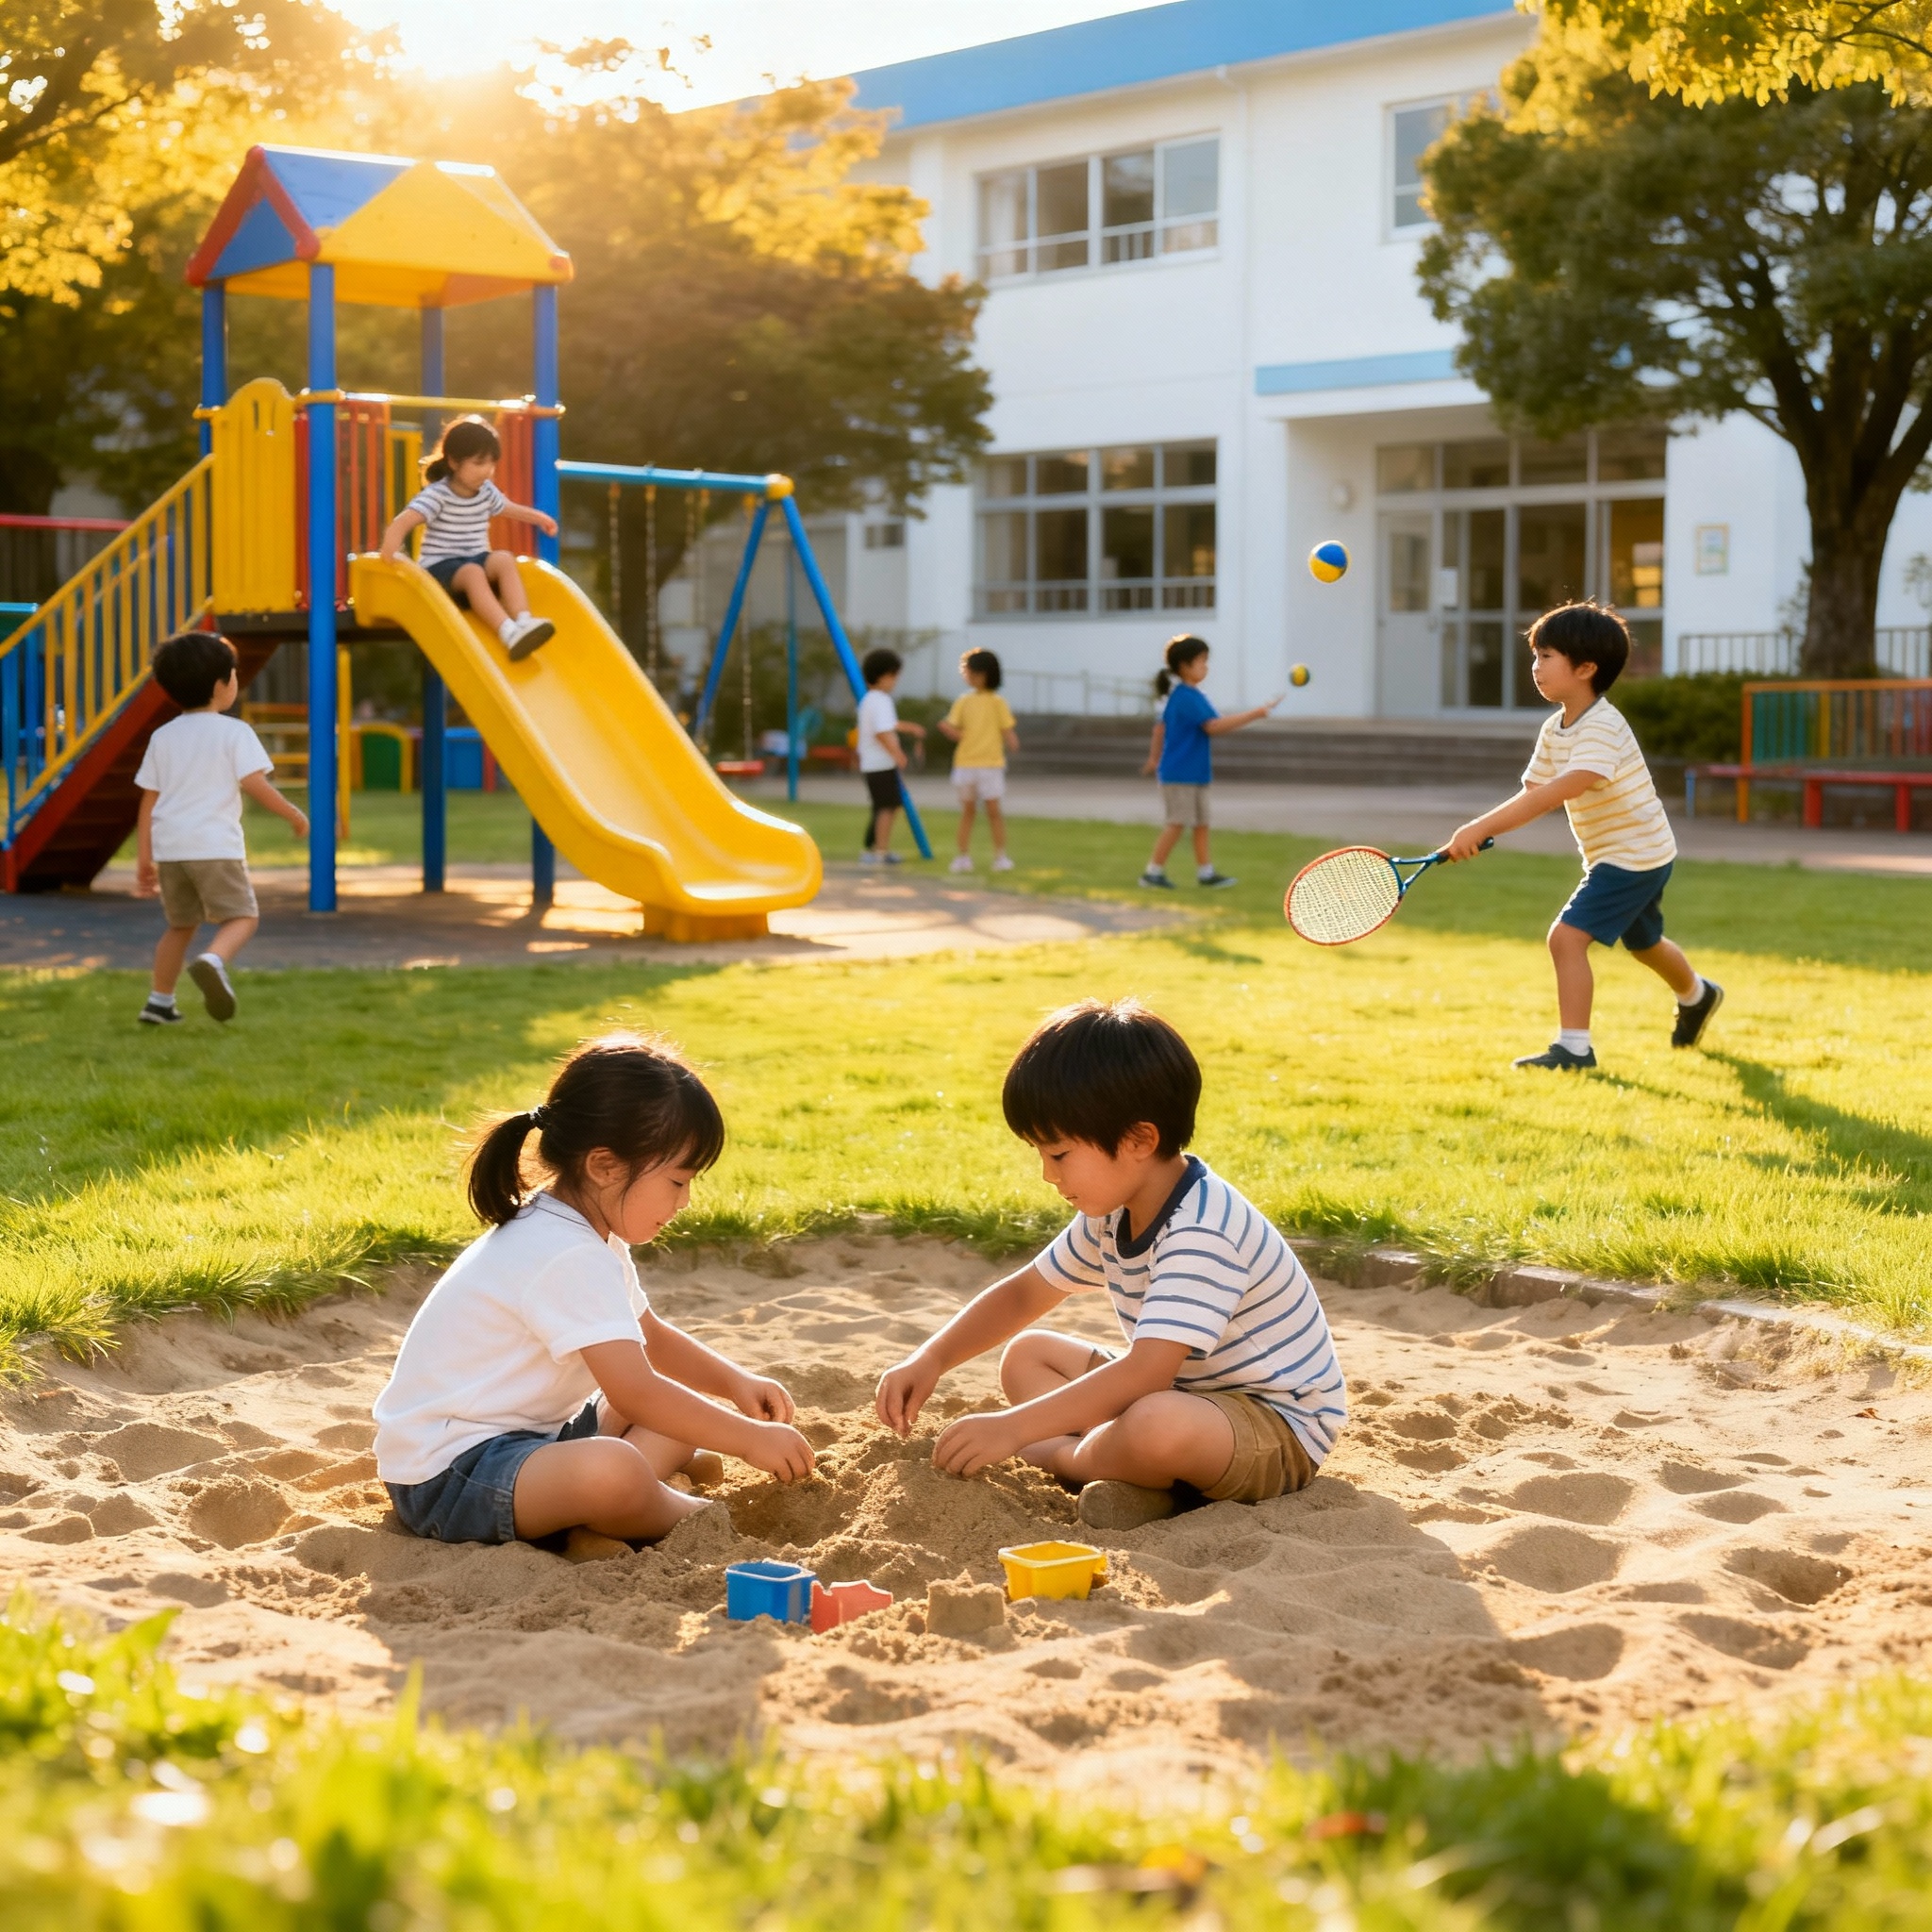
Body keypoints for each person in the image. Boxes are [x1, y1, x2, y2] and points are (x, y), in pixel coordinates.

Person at [874, 999, 1347, 1533]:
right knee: (1029, 1355)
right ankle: (1139, 1485)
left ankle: (1067, 1460)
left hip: (1275, 1428)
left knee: (1156, 1424)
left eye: (1058, 1155)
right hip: (1189, 1398)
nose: (1047, 1176)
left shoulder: (1202, 1229)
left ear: (1139, 1140)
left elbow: (1147, 1372)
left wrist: (1015, 1430)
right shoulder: (1115, 1209)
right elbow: (1026, 1293)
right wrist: (932, 1358)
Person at [374, 1034, 815, 1551]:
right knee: (616, 1468)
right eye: (677, 1181)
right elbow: (635, 1391)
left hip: (531, 1442)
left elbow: (648, 1338)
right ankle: (684, 1516)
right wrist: (750, 1439)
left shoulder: (583, 1230)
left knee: (679, 1417)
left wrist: (735, 1383)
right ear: (605, 1166)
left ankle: (594, 1525)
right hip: (452, 1474)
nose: (686, 1201)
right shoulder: (565, 1252)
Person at [1441, 600, 1723, 1070]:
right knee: (1645, 943)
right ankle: (1697, 995)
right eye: (1536, 656)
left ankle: (1573, 1049)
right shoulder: (1557, 728)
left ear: (1586, 668)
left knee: (1565, 938)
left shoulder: (1603, 727)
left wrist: (1479, 827)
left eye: (1546, 657)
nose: (1536, 667)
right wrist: (1482, 832)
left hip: (1633, 856)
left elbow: (1555, 794)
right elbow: (1530, 793)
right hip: (1630, 854)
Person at [133, 629, 308, 1027]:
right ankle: (213, 960)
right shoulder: (234, 733)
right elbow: (256, 785)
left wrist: (144, 858)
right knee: (243, 917)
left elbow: (149, 800)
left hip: (171, 849)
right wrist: (293, 814)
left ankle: (159, 1002)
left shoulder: (163, 737)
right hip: (215, 846)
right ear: (221, 685)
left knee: (180, 925)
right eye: (233, 674)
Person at [378, 416, 560, 661]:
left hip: (475, 560)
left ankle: (523, 621)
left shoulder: (486, 492)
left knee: (504, 558)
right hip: (440, 570)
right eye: (478, 463)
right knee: (472, 572)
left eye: (491, 463)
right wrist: (391, 552)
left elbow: (507, 508)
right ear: (453, 462)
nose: (487, 471)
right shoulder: (438, 495)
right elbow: (403, 522)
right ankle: (507, 631)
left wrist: (539, 518)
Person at [1139, 635, 1282, 891]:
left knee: (1202, 823)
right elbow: (1213, 727)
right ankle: (1152, 873)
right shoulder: (1185, 697)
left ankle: (1206, 873)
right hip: (1179, 774)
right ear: (1184, 666)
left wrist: (1153, 759)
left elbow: (1161, 729)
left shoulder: (1193, 695)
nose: (1206, 667)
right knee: (1176, 823)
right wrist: (1255, 714)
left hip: (1195, 772)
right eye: (1201, 661)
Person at [938, 648, 1019, 874]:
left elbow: (1007, 728)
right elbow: (952, 726)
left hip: (991, 765)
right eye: (968, 673)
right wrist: (951, 731)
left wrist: (1012, 741)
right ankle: (963, 856)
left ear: (988, 674)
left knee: (994, 811)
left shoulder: (997, 702)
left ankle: (1000, 856)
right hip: (966, 764)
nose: (970, 677)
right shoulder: (964, 701)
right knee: (968, 811)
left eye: (975, 673)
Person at [857, 646, 925, 865]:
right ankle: (881, 852)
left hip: (872, 764)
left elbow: (887, 725)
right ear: (885, 676)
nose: (895, 682)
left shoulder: (869, 700)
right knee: (887, 808)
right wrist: (898, 754)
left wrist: (908, 728)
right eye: (894, 677)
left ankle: (875, 848)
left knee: (883, 807)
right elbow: (882, 732)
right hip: (880, 764)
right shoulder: (881, 700)